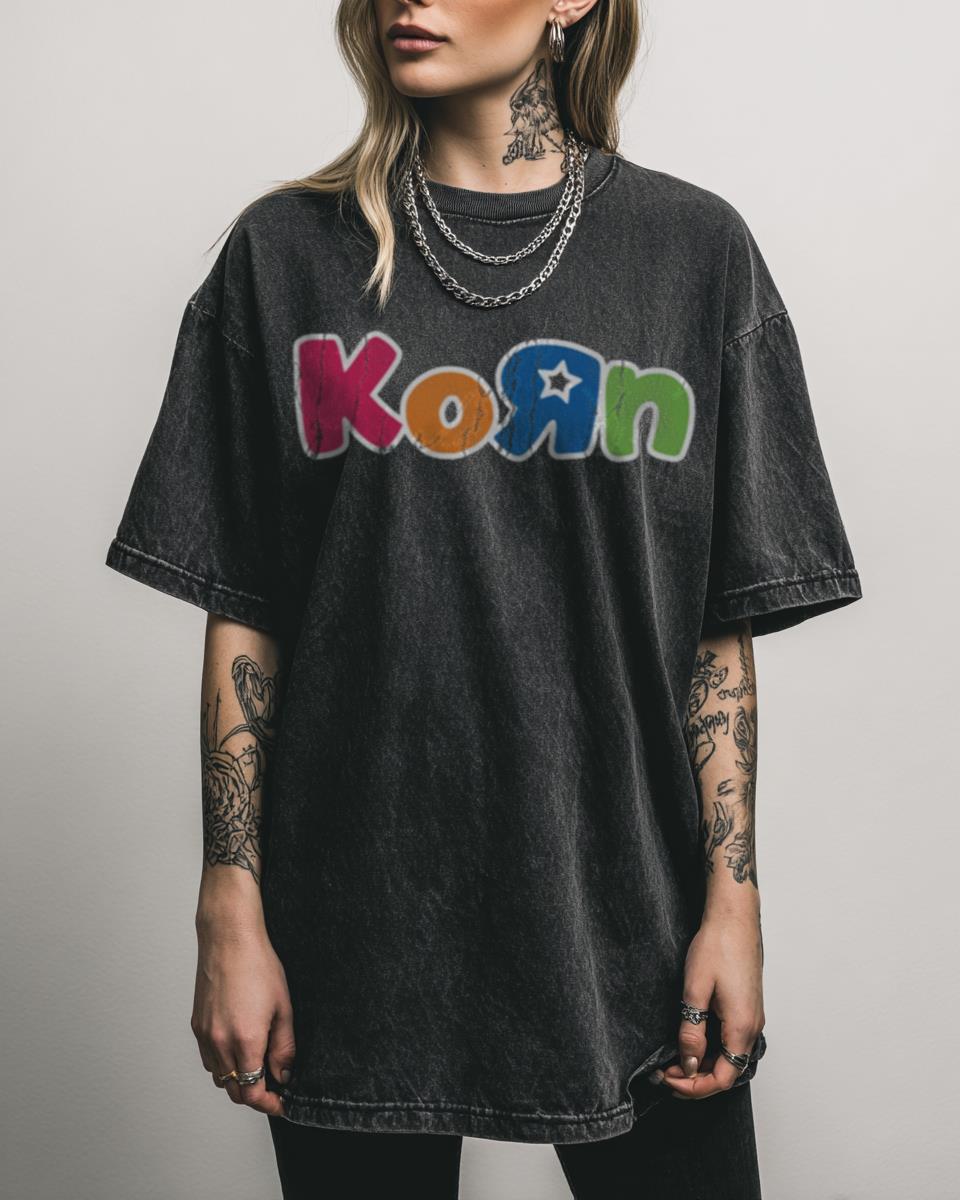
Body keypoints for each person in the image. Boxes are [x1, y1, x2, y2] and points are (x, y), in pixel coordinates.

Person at [104, 0, 863, 1196]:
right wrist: (229, 905)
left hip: (631, 920)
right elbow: (245, 609)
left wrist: (734, 902)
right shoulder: (284, 255)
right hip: (351, 928)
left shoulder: (693, 254)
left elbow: (715, 632)